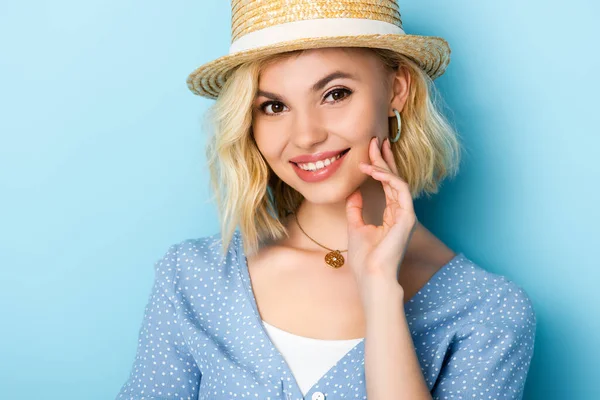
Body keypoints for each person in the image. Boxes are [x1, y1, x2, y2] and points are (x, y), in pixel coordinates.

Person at [116, 1, 537, 399]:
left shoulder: (487, 313)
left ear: (397, 89)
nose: (305, 135)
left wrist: (380, 293)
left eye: (335, 93)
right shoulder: (194, 278)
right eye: (274, 106)